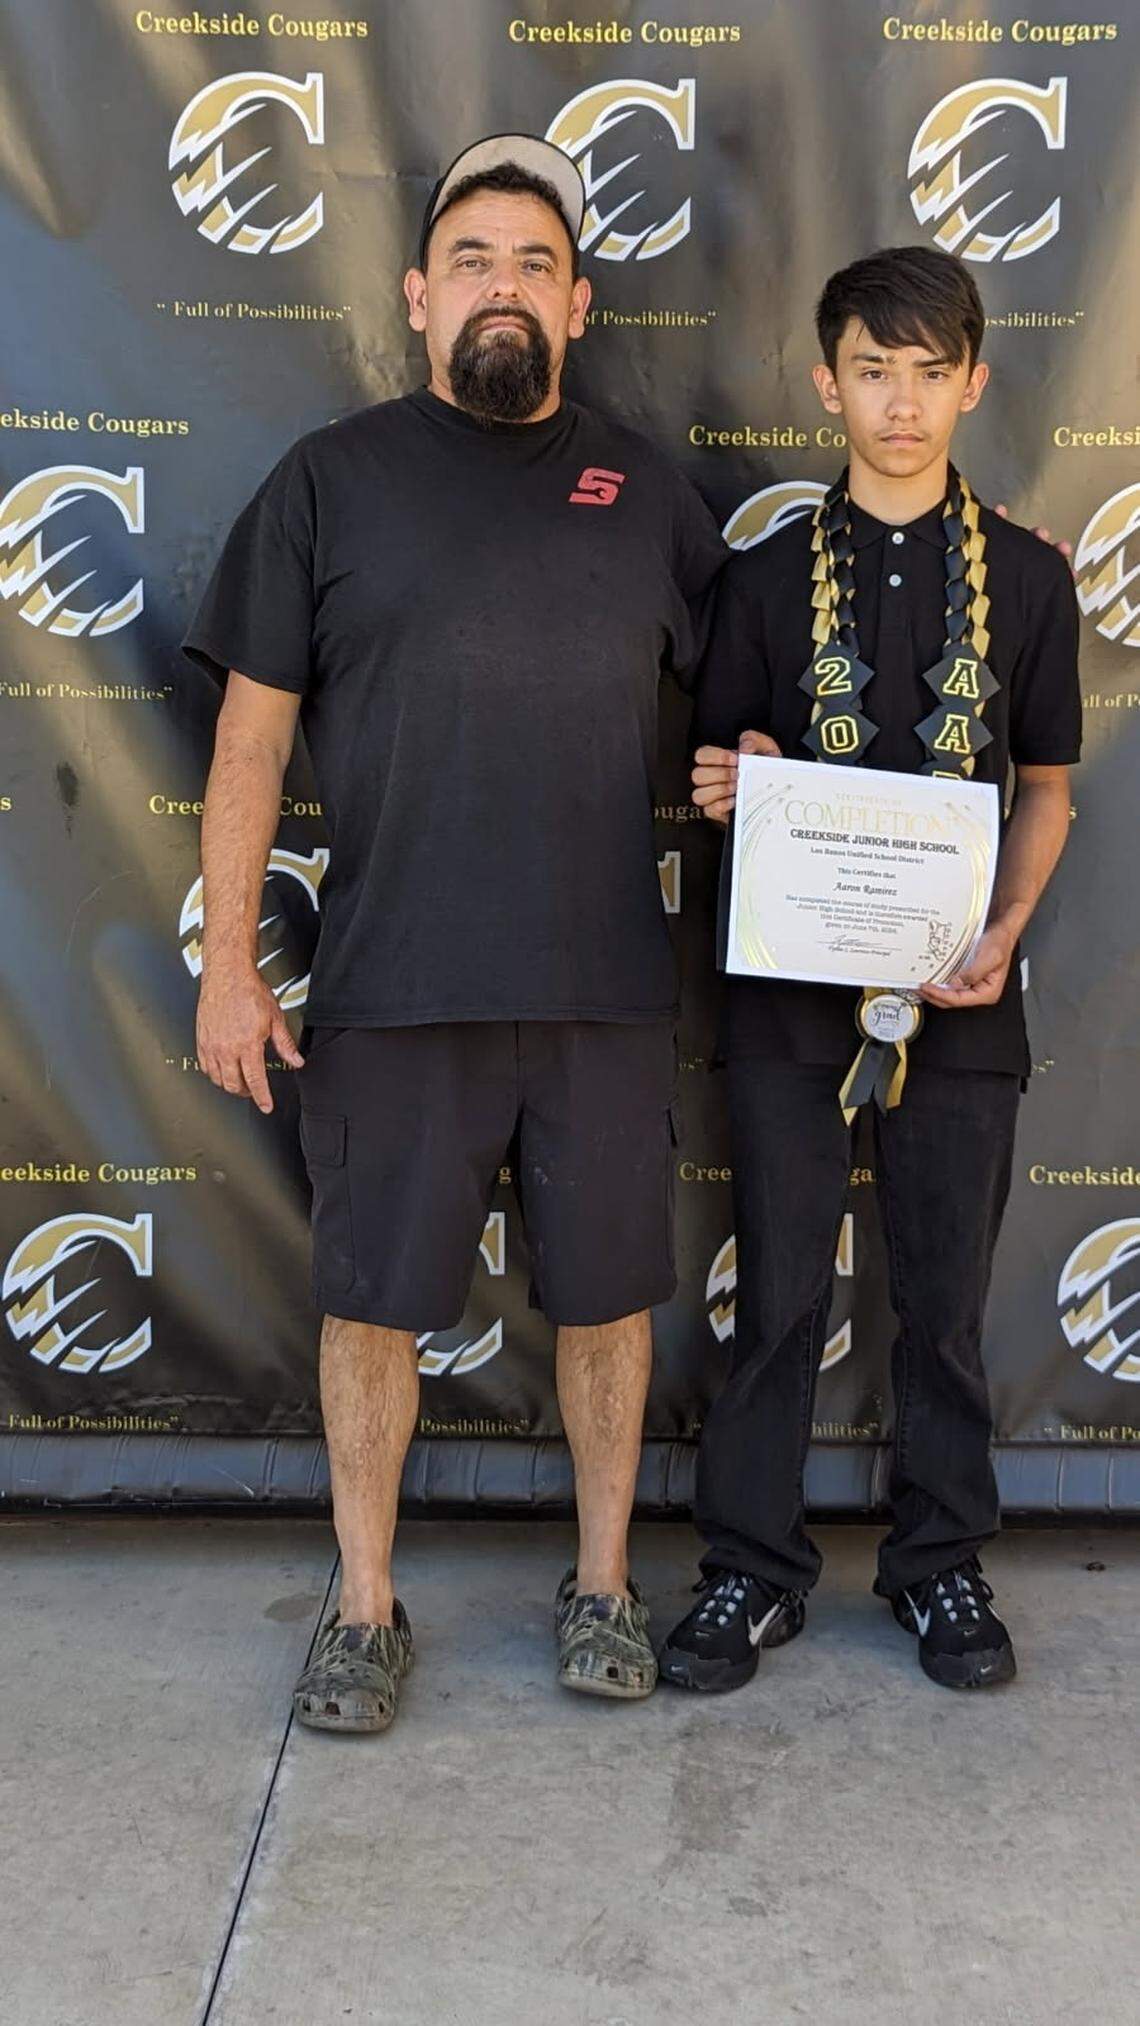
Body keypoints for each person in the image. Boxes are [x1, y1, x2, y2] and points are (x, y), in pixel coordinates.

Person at [182, 135, 726, 1731]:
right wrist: (228, 957)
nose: (505, 287)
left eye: (536, 264)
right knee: (370, 1307)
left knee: (613, 1299)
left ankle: (607, 1583)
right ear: (420, 297)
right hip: (390, 986)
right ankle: (361, 1606)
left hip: (600, 990)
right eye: (473, 260)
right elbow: (249, 747)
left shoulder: (652, 496)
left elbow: (749, 701)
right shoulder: (327, 481)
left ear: (579, 300)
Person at [658, 246, 1081, 1694]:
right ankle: (748, 1567)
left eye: (928, 371)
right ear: (826, 378)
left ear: (973, 379)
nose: (900, 404)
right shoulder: (763, 579)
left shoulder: (1028, 579)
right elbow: (722, 769)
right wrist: (742, 780)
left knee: (944, 1296)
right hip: (787, 1002)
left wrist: (1006, 931)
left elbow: (1049, 788)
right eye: (871, 369)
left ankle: (941, 1560)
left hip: (963, 999)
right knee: (778, 1286)